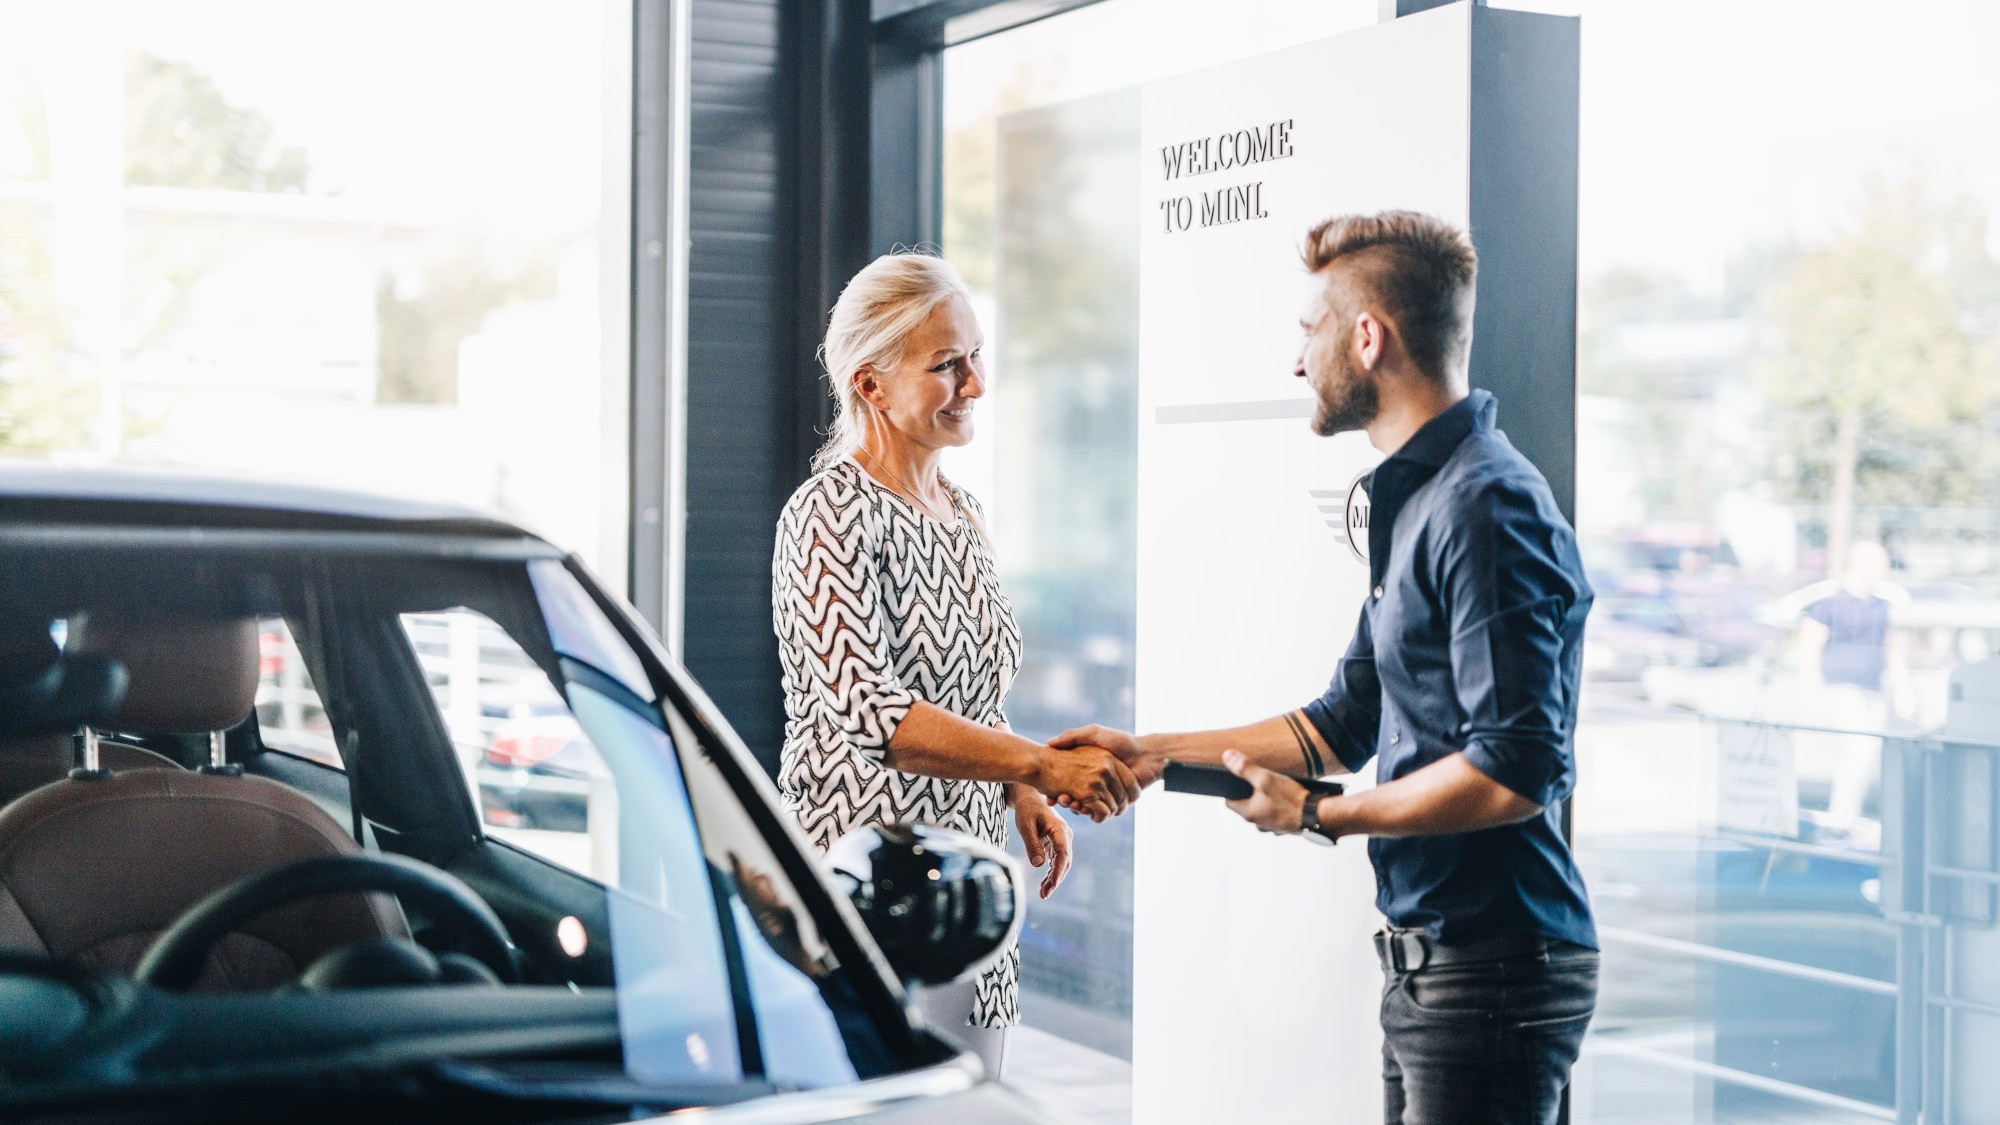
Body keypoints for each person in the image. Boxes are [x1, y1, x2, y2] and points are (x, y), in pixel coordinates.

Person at [1054, 211, 1598, 1124]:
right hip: (1437, 971)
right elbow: (1338, 724)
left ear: (1369, 337)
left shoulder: (1486, 506)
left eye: (1310, 329)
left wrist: (1318, 815)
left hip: (1493, 972)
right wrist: (1151, 754)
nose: (1297, 359)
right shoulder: (1419, 498)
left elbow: (1516, 768)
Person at [771, 251, 1140, 1076]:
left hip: (967, 889)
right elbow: (878, 717)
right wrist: (1042, 764)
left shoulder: (963, 512)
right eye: (947, 365)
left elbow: (970, 690)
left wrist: (1015, 786)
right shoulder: (828, 512)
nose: (975, 384)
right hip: (866, 897)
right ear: (871, 385)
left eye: (976, 356)